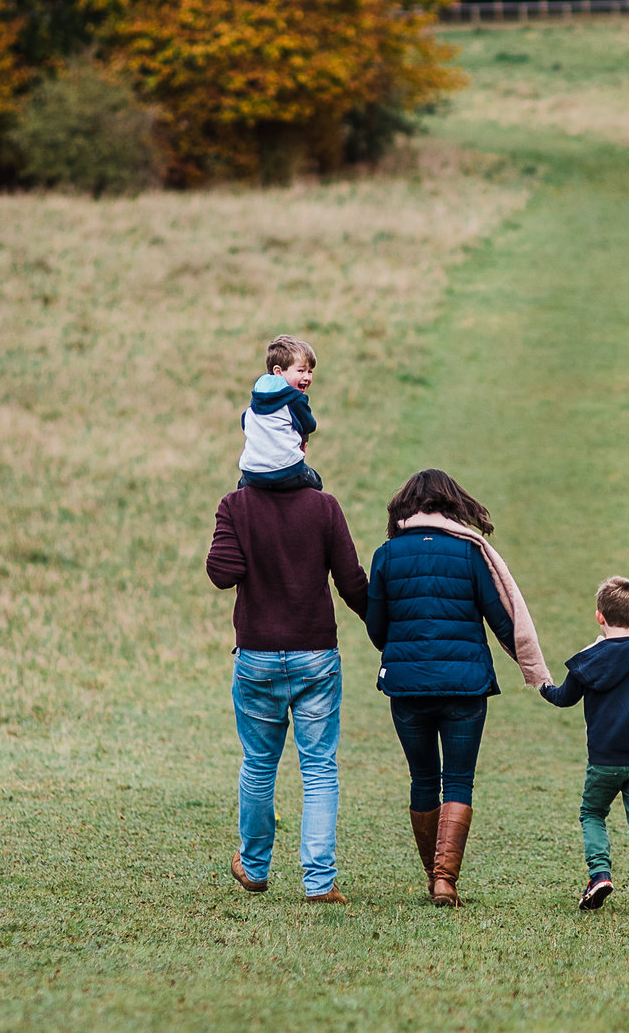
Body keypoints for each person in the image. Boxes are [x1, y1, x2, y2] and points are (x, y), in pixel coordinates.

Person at [366, 468, 550, 906]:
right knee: (459, 780)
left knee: (422, 778)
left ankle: (435, 876)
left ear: (407, 506)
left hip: (407, 686)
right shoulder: (470, 554)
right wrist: (529, 663)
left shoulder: (387, 555)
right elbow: (501, 619)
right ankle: (446, 880)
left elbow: (377, 629)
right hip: (466, 686)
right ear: (452, 505)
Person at [205, 448, 367, 903]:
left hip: (255, 655)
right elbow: (351, 580)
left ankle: (254, 867)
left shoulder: (234, 506)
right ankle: (319, 882)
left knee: (258, 763)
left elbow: (222, 573)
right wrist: (382, 630)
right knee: (318, 768)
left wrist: (241, 530)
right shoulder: (324, 506)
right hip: (316, 655)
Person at [541, 575, 629, 917]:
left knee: (592, 813)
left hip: (603, 760)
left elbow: (563, 698)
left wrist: (542, 684)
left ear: (599, 616)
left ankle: (600, 876)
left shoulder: (586, 660)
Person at [239, 335, 322, 491]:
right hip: (287, 471)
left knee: (241, 492)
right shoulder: (294, 399)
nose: (307, 377)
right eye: (301, 370)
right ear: (278, 371)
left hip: (252, 473)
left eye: (310, 371)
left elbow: (245, 421)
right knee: (316, 482)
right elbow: (309, 425)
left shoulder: (258, 397)